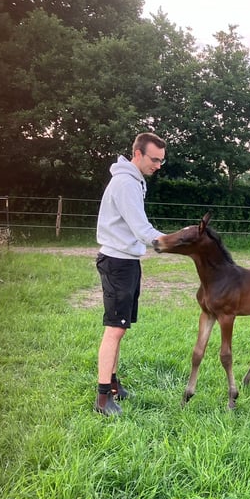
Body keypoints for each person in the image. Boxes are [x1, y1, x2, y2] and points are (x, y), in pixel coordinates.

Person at [94, 132, 167, 416]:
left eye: (162, 160)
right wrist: (177, 241)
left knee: (120, 328)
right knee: (114, 329)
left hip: (127, 261)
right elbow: (142, 229)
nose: (158, 165)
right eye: (154, 159)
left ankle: (113, 385)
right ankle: (102, 399)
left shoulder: (134, 181)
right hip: (117, 262)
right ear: (137, 154)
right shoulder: (125, 183)